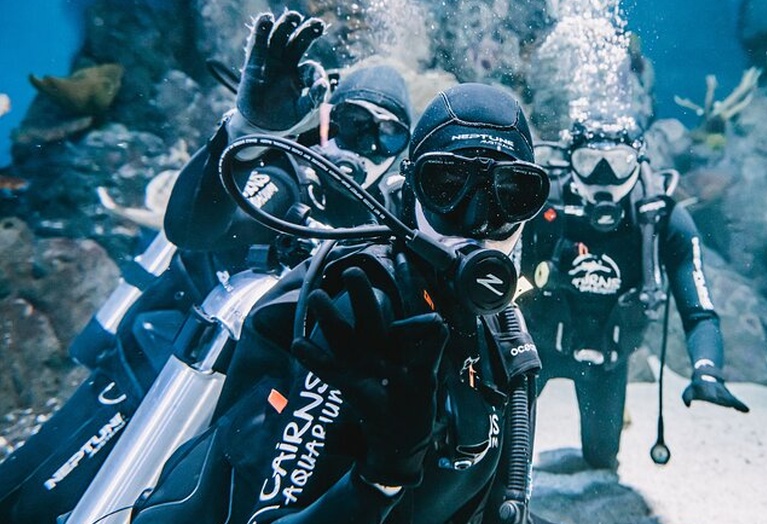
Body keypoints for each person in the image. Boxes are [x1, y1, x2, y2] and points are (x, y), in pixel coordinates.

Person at [0, 11, 414, 524]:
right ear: (327, 119)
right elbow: (192, 227)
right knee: (32, 498)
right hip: (154, 378)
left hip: (228, 414)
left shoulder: (382, 232)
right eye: (355, 124)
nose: (368, 147)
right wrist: (247, 129)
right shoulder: (282, 182)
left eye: (390, 136)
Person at [129, 70, 555, 524]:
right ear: (409, 189)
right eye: (447, 185)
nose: (476, 220)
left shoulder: (499, 328)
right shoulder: (360, 309)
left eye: (510, 194)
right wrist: (379, 479)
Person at [518, 117, 749, 472]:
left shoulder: (661, 219)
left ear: (638, 161)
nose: (604, 177)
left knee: (601, 459)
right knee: (501, 448)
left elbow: (699, 309)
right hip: (535, 351)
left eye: (619, 161)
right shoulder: (544, 207)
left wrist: (707, 370)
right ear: (570, 160)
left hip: (608, 362)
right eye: (588, 162)